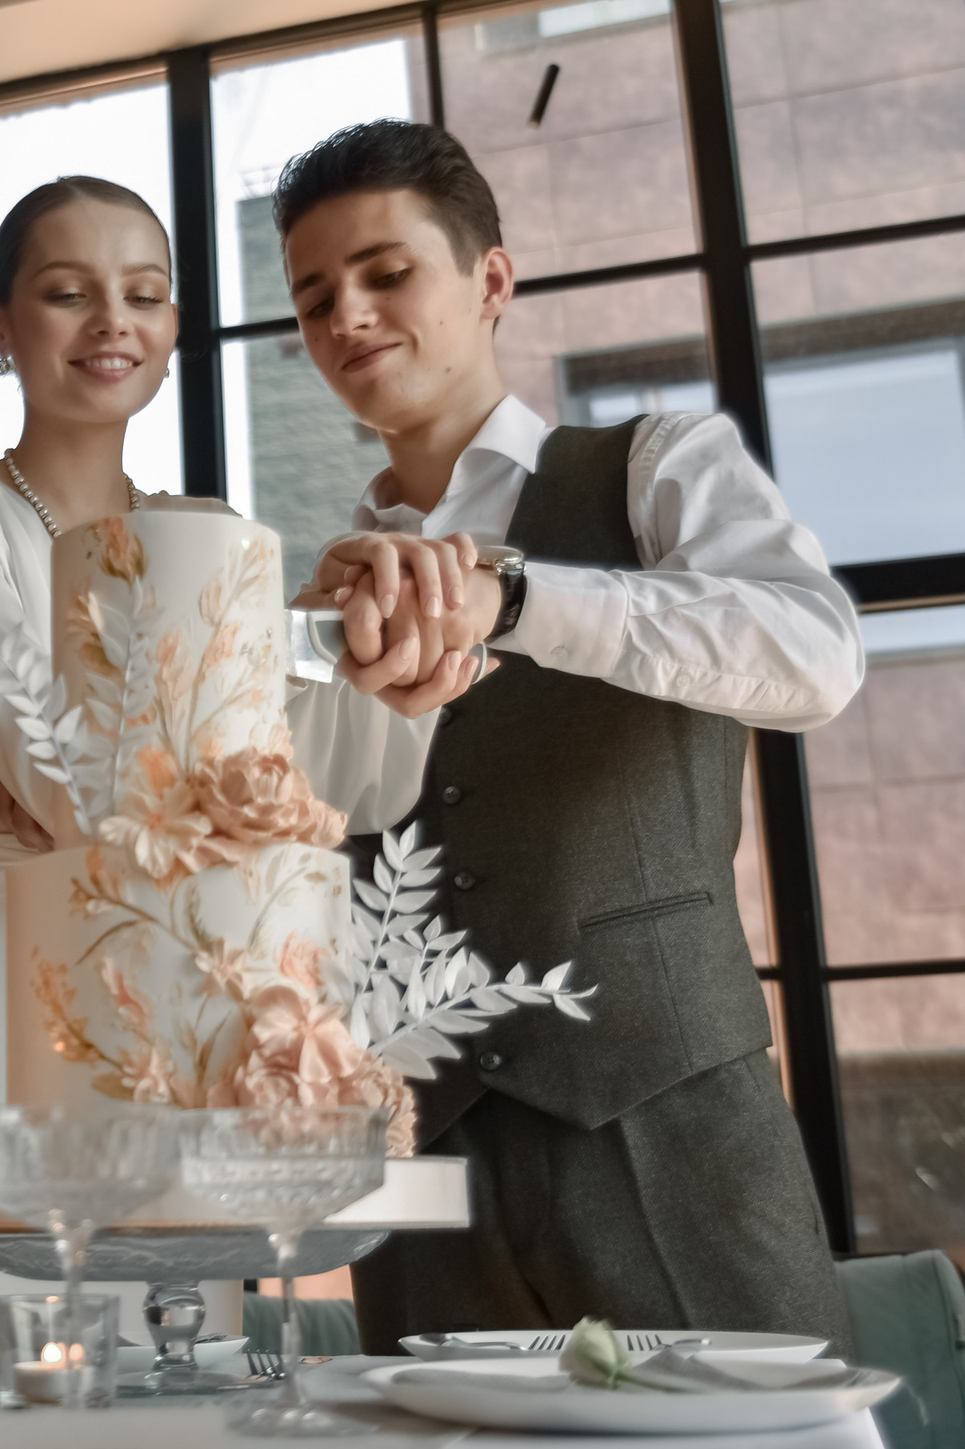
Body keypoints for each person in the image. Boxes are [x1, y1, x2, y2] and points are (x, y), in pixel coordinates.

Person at [0, 174, 481, 1325]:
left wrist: (368, 647)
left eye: (143, 294)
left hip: (157, 1008)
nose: (111, 324)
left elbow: (342, 788)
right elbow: (65, 773)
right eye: (66, 292)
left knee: (165, 1376)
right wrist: (204, 762)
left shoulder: (209, 541)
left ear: (174, 325)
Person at [275, 119, 862, 1350]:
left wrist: (517, 594)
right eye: (315, 294)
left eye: (387, 272)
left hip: (664, 1108)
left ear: (490, 280)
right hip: (411, 1140)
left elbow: (814, 654)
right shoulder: (318, 594)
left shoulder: (652, 465)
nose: (349, 316)